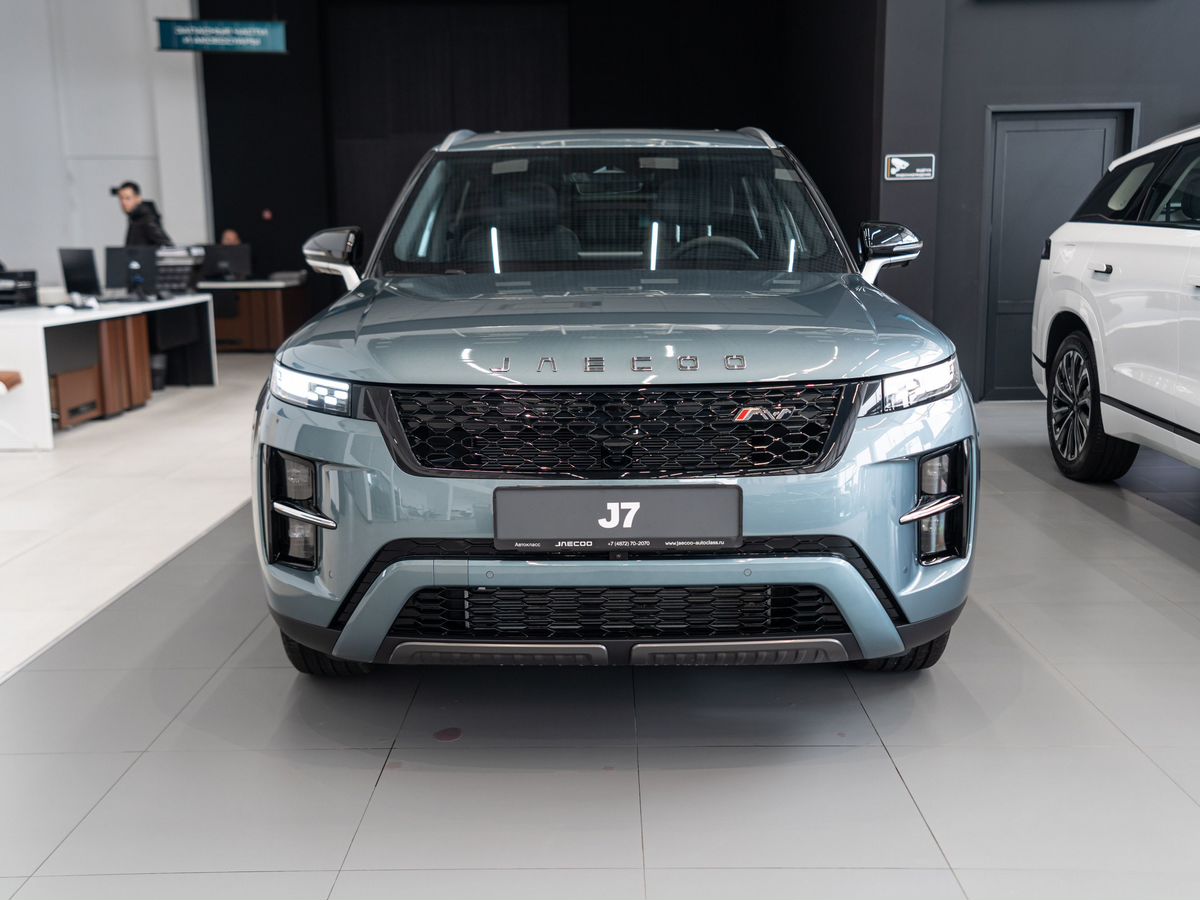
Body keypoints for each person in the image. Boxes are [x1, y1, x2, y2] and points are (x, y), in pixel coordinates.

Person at [114, 181, 172, 247]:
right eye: (121, 198)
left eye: (128, 198)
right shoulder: (135, 218)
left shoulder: (146, 219)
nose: (123, 202)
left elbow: (167, 245)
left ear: (138, 198)